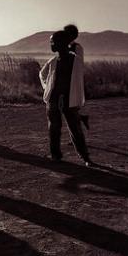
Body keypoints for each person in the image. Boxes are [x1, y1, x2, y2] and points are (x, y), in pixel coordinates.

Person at [39, 30, 93, 167]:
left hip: (70, 100)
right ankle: (55, 155)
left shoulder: (76, 60)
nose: (51, 44)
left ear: (62, 43)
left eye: (53, 41)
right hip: (53, 100)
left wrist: (70, 40)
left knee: (75, 128)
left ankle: (85, 156)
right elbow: (42, 74)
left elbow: (79, 50)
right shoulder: (53, 61)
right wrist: (47, 87)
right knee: (54, 129)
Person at [64, 24, 89, 130]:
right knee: (68, 109)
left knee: (70, 109)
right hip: (66, 82)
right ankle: (81, 119)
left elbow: (77, 66)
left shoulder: (77, 48)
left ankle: (76, 136)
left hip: (72, 82)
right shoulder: (66, 47)